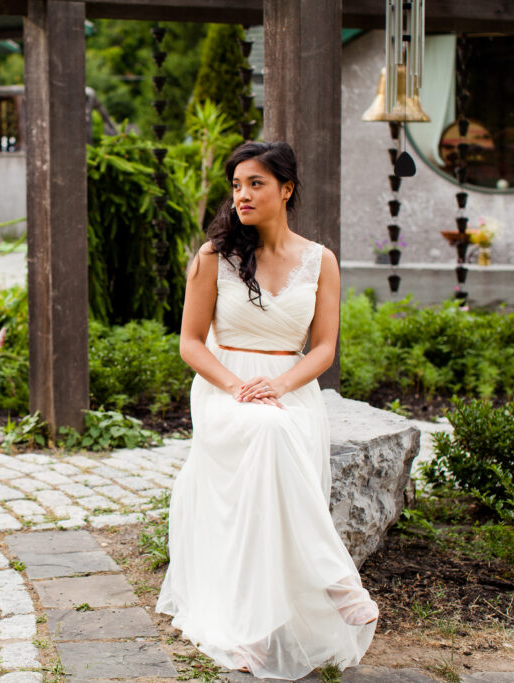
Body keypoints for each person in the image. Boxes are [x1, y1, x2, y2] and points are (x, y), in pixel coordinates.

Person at [156, 141, 378, 679]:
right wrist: (239, 387)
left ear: (286, 189)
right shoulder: (214, 257)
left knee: (272, 446)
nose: (242, 195)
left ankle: (255, 631)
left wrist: (278, 385)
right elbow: (190, 343)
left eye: (255, 183)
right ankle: (336, 579)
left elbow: (324, 347)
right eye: (236, 185)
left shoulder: (320, 260)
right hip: (224, 389)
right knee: (269, 433)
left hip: (291, 388)